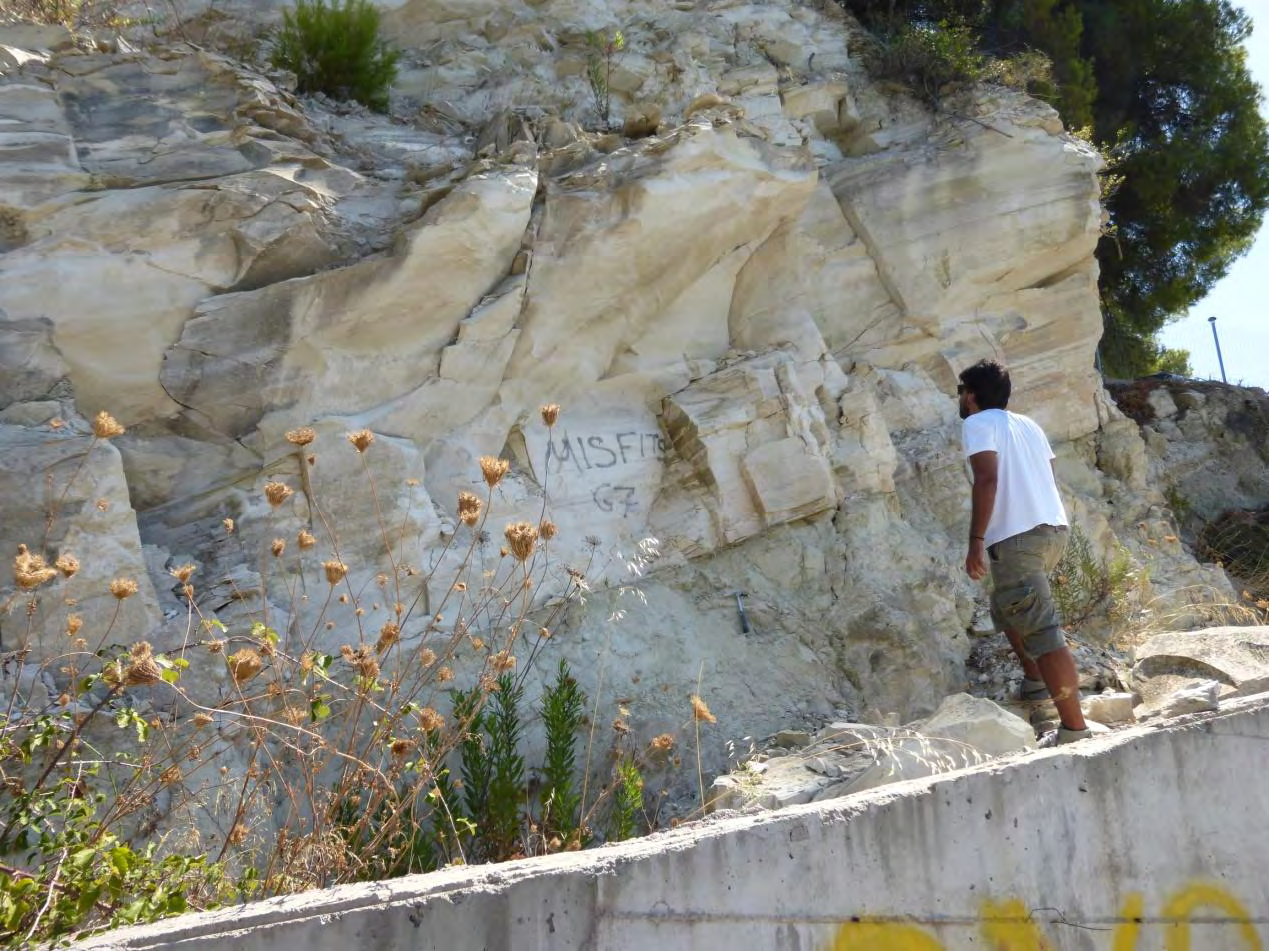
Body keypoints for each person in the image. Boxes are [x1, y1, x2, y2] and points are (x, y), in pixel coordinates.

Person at [957, 359, 1090, 746]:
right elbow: (1047, 475)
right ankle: (1035, 683)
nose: (961, 399)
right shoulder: (1029, 425)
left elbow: (986, 479)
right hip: (1052, 530)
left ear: (971, 394)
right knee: (1006, 606)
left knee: (1043, 631)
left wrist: (976, 540)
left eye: (963, 392)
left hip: (1015, 539)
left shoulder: (977, 424)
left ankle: (1074, 730)